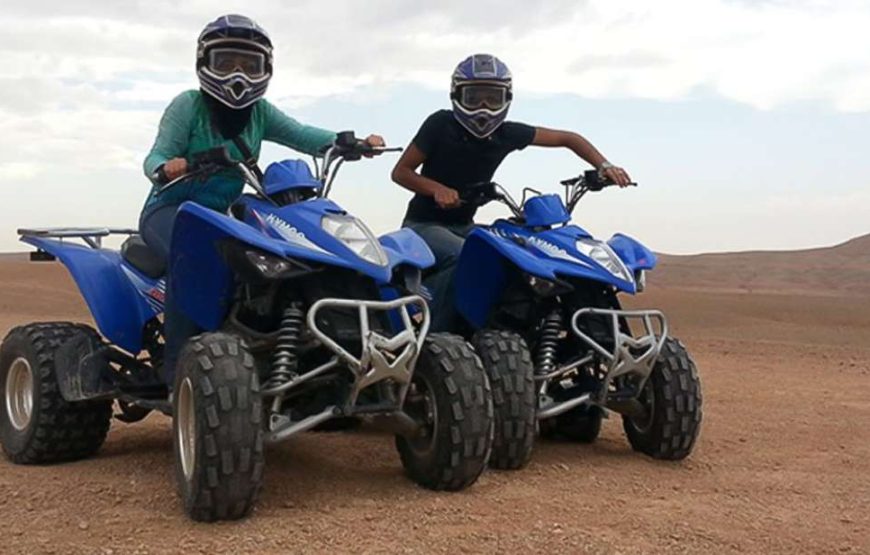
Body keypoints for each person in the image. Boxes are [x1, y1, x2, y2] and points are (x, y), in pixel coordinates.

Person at [140, 14, 384, 383]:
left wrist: (351, 142)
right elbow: (154, 157)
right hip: (171, 210)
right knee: (191, 257)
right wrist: (167, 167)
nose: (237, 74)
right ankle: (177, 370)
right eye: (226, 62)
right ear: (205, 63)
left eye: (248, 64)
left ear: (265, 68)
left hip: (220, 216)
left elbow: (302, 135)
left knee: (267, 261)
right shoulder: (188, 105)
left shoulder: (260, 113)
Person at [391, 53, 632, 331]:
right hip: (424, 225)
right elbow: (401, 172)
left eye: (492, 98)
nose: (483, 106)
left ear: (506, 98)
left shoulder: (508, 134)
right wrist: (437, 189)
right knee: (467, 257)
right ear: (456, 95)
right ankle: (438, 336)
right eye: (474, 97)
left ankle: (501, 332)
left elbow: (568, 139)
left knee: (515, 258)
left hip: (465, 225)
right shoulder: (439, 125)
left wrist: (604, 165)